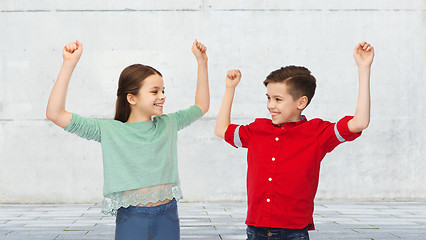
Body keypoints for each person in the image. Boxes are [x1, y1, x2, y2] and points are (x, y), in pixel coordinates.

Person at [46, 39, 209, 240]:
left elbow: (202, 105)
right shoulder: (108, 130)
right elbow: (55, 113)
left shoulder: (169, 123)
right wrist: (68, 64)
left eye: (163, 90)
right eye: (154, 91)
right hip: (131, 217)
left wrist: (202, 63)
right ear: (132, 98)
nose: (162, 96)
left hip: (168, 215)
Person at [215, 42, 374, 240]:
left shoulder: (316, 133)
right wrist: (230, 89)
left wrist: (363, 68)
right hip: (255, 229)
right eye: (268, 98)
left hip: (293, 232)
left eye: (278, 99)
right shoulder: (257, 130)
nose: (270, 105)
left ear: (301, 102)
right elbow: (221, 130)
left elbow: (359, 122)